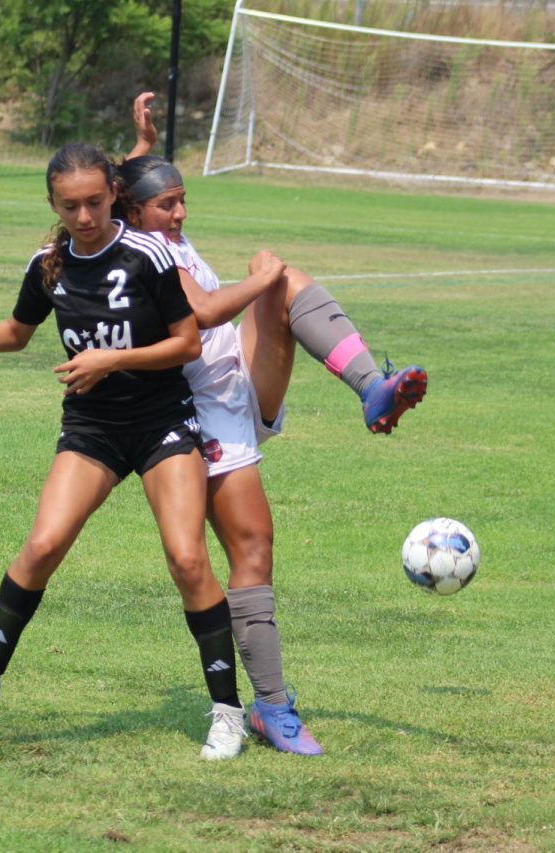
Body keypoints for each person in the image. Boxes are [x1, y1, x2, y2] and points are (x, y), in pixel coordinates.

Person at [116, 93, 428, 756]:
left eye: (181, 198)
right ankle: (271, 707)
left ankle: (374, 388)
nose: (180, 211)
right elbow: (199, 312)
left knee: (285, 279)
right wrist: (260, 280)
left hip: (234, 386)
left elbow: (122, 188)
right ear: (137, 214)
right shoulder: (143, 247)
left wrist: (142, 145)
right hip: (193, 417)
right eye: (167, 202)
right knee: (247, 551)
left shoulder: (158, 227)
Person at [0, 142, 247, 761]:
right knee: (42, 546)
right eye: (71, 206)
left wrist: (111, 359)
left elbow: (186, 346)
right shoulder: (49, 265)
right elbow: (16, 335)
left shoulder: (149, 254)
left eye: (95, 202)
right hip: (93, 428)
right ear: (54, 205)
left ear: (111, 196)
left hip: (160, 423)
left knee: (186, 559)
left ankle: (227, 711)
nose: (85, 215)